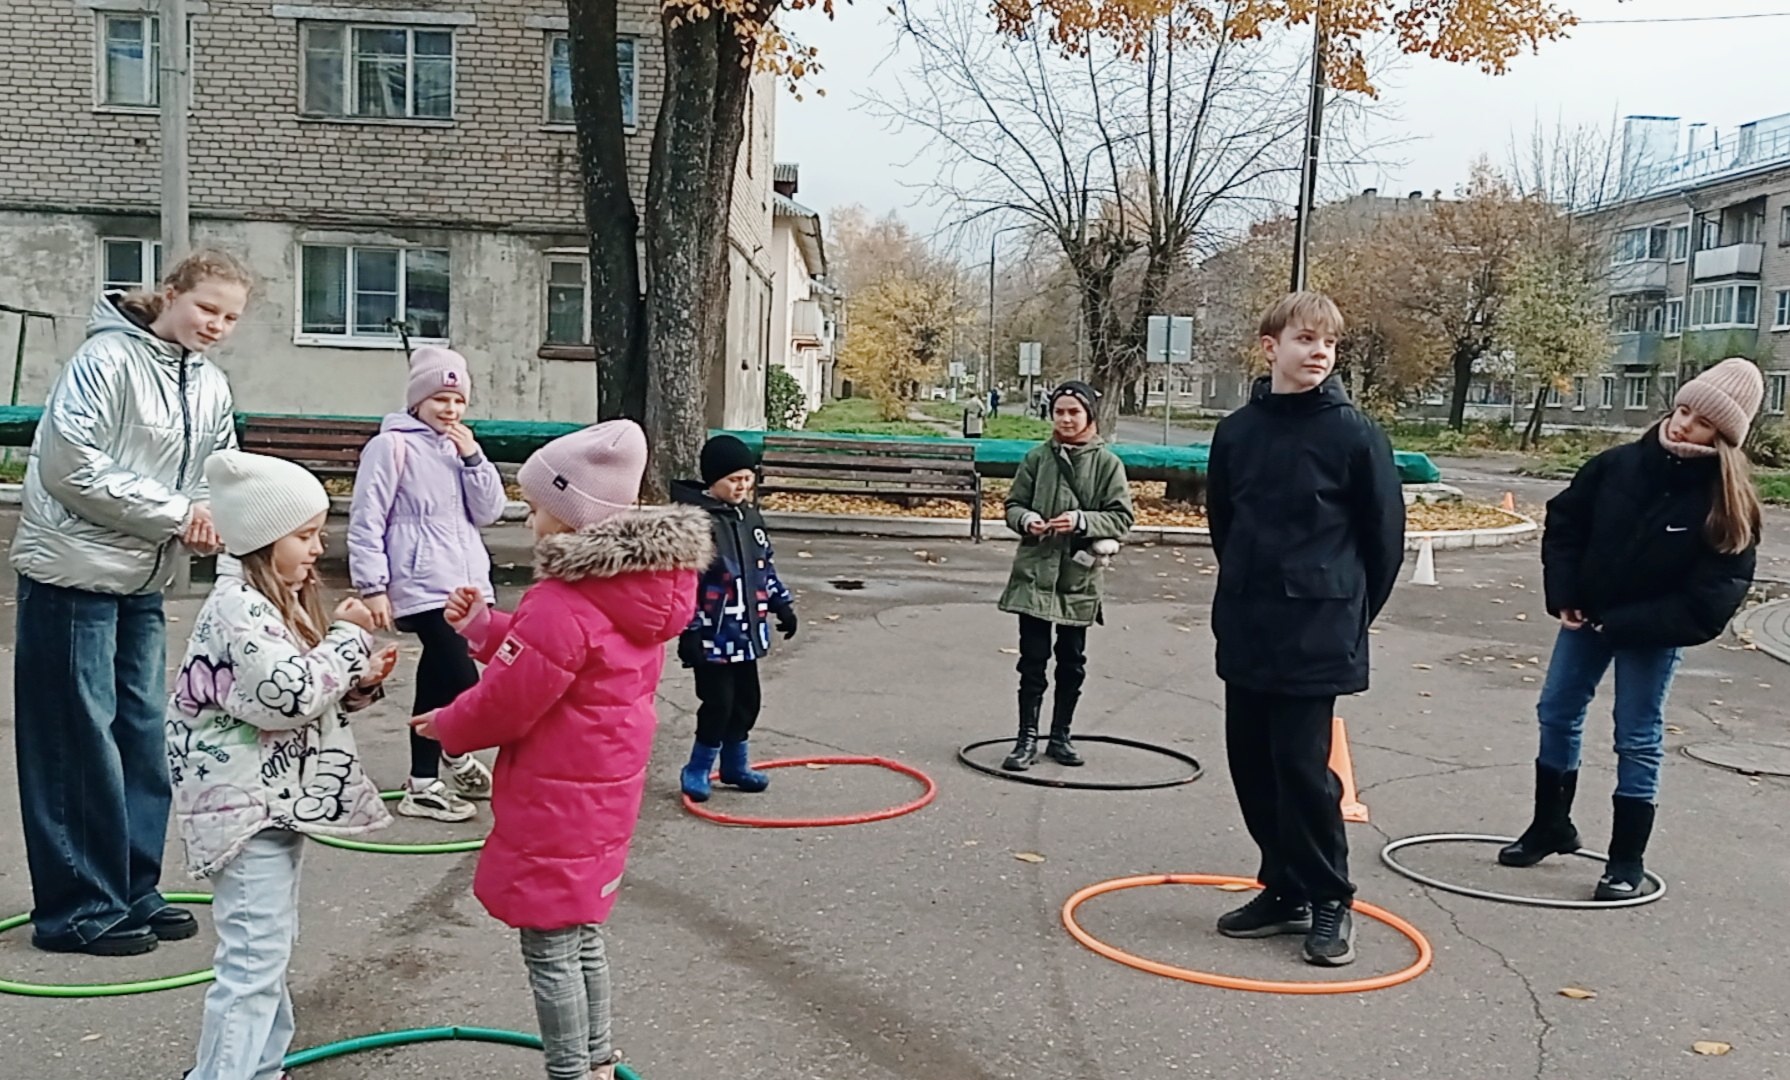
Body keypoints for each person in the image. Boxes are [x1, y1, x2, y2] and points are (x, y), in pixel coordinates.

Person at [411, 420, 712, 1080]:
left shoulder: (564, 599)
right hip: (602, 792)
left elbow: (512, 696)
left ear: (573, 513)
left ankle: (572, 1071)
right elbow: (551, 657)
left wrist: (450, 726)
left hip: (556, 792)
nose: (528, 516)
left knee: (549, 946)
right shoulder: (633, 587)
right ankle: (597, 1058)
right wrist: (483, 627)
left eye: (537, 504)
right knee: (581, 934)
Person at [11, 249, 248, 957]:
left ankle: (130, 885)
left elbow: (216, 468)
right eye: (207, 307)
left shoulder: (208, 382)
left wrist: (210, 513)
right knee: (75, 741)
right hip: (73, 576)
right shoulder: (105, 359)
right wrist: (178, 515)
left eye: (231, 317)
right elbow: (70, 466)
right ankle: (78, 906)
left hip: (143, 580)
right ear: (171, 294)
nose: (217, 325)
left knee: (141, 737)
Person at [170, 450, 397, 1080]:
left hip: (268, 803)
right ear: (263, 539)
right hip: (245, 810)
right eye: (304, 535)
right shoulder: (239, 610)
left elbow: (292, 703)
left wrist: (357, 684)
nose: (318, 548)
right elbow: (289, 694)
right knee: (252, 962)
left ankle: (263, 1068)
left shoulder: (267, 605)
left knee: (265, 954)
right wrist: (347, 640)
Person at [1502, 358, 1763, 901]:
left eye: (1701, 422)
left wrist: (1624, 623)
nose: (1683, 425)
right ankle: (1550, 825)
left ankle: (1626, 861)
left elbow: (1710, 601)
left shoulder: (1725, 504)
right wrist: (1565, 592)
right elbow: (1566, 524)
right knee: (1556, 711)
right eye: (1683, 410)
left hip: (1652, 632)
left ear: (1722, 438)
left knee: (1637, 734)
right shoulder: (1617, 465)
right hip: (1586, 617)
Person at [1205, 291, 1404, 967]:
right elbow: (1224, 523)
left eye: (1329, 343)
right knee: (1252, 765)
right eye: (1306, 339)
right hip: (1248, 623)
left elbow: (1383, 542)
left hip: (1318, 629)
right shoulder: (1237, 432)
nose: (1319, 352)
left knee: (1301, 768)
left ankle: (1329, 896)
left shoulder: (1355, 434)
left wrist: (1345, 612)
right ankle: (1283, 887)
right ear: (1271, 347)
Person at [348, 345, 505, 823]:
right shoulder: (392, 446)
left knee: (438, 677)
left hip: (465, 583)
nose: (450, 409)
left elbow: (489, 512)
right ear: (417, 400)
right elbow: (367, 517)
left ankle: (423, 782)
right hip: (420, 582)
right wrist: (373, 585)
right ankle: (454, 749)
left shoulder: (459, 449)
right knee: (463, 676)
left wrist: (474, 458)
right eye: (440, 399)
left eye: (458, 401)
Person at [996, 381, 1134, 772]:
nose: (1066, 419)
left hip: (1078, 576)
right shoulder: (1037, 459)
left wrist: (1081, 520)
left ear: (1089, 415)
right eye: (1060, 412)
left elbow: (1121, 518)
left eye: (1074, 412)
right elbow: (1013, 504)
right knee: (1032, 661)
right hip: (1035, 573)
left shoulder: (1107, 464)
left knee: (1072, 661)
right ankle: (1026, 739)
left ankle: (1060, 736)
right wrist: (1026, 519)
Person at [672, 434, 798, 801]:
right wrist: (690, 628)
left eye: (747, 478)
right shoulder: (697, 524)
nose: (741, 486)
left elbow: (764, 568)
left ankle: (734, 764)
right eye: (732, 480)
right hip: (713, 636)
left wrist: (781, 604)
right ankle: (697, 767)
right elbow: (684, 583)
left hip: (747, 634)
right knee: (718, 703)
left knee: (747, 702)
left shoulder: (750, 519)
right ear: (713, 480)